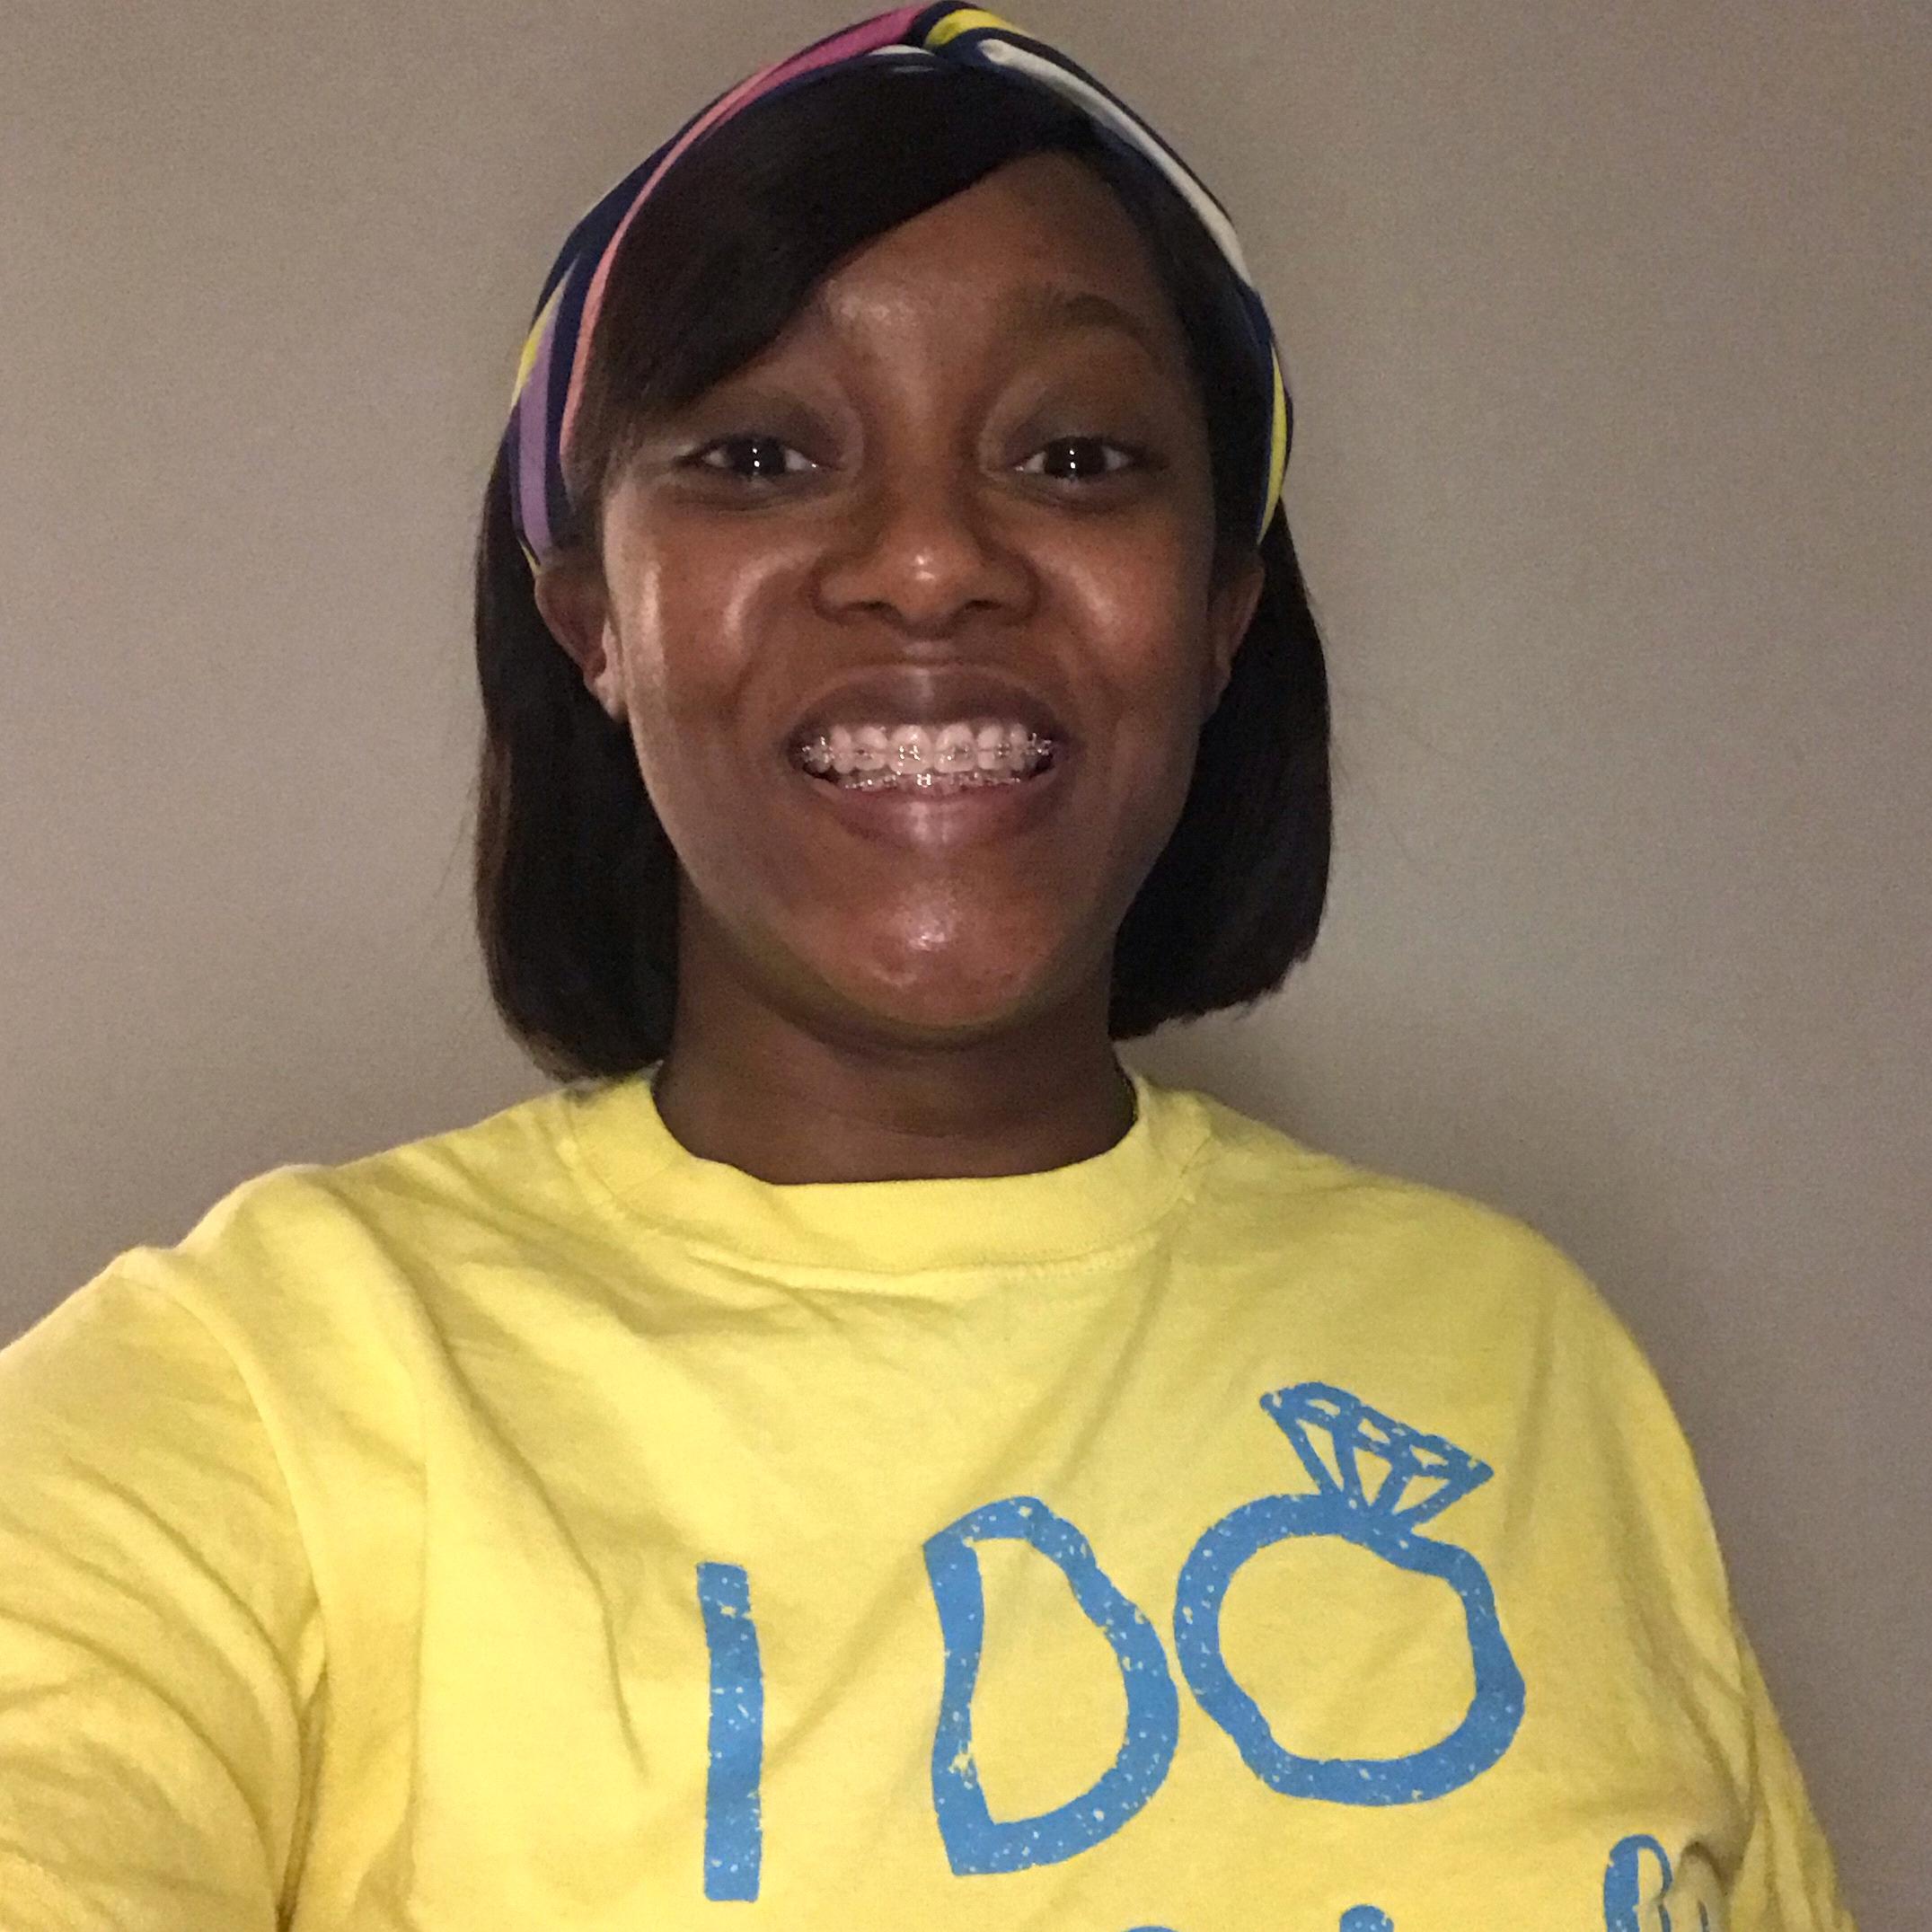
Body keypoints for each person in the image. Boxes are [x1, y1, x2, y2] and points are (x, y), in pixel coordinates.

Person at [0, 8, 1854, 1928]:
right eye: (758, 453)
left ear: (1220, 611)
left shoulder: (1518, 1353)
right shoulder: (257, 1391)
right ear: (590, 618)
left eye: (1074, 454)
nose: (927, 563)